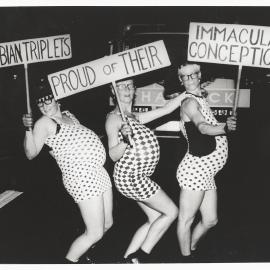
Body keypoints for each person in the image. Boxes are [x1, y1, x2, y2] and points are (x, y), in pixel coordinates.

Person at [22, 79, 113, 263]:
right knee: (94, 233)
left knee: (107, 224)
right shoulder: (44, 123)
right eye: (40, 102)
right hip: (82, 177)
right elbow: (30, 153)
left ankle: (84, 255)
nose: (44, 105)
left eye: (48, 99)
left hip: (98, 173)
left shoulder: (68, 115)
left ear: (57, 99)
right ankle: (69, 261)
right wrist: (28, 129)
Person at [105, 78, 184, 263]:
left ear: (134, 90)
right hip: (131, 177)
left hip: (138, 177)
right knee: (172, 212)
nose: (126, 89)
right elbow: (113, 156)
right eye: (121, 86)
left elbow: (166, 109)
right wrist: (124, 140)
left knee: (154, 218)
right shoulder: (114, 118)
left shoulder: (133, 116)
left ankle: (127, 261)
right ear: (113, 91)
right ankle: (140, 256)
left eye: (130, 85)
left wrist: (188, 93)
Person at [176, 63, 237, 260]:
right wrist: (224, 128)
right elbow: (202, 127)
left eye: (192, 74)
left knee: (210, 220)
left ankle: (191, 247)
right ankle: (185, 260)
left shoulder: (200, 99)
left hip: (207, 173)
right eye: (184, 77)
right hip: (195, 171)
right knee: (186, 220)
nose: (189, 79)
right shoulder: (189, 103)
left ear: (199, 75)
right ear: (181, 80)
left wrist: (224, 126)